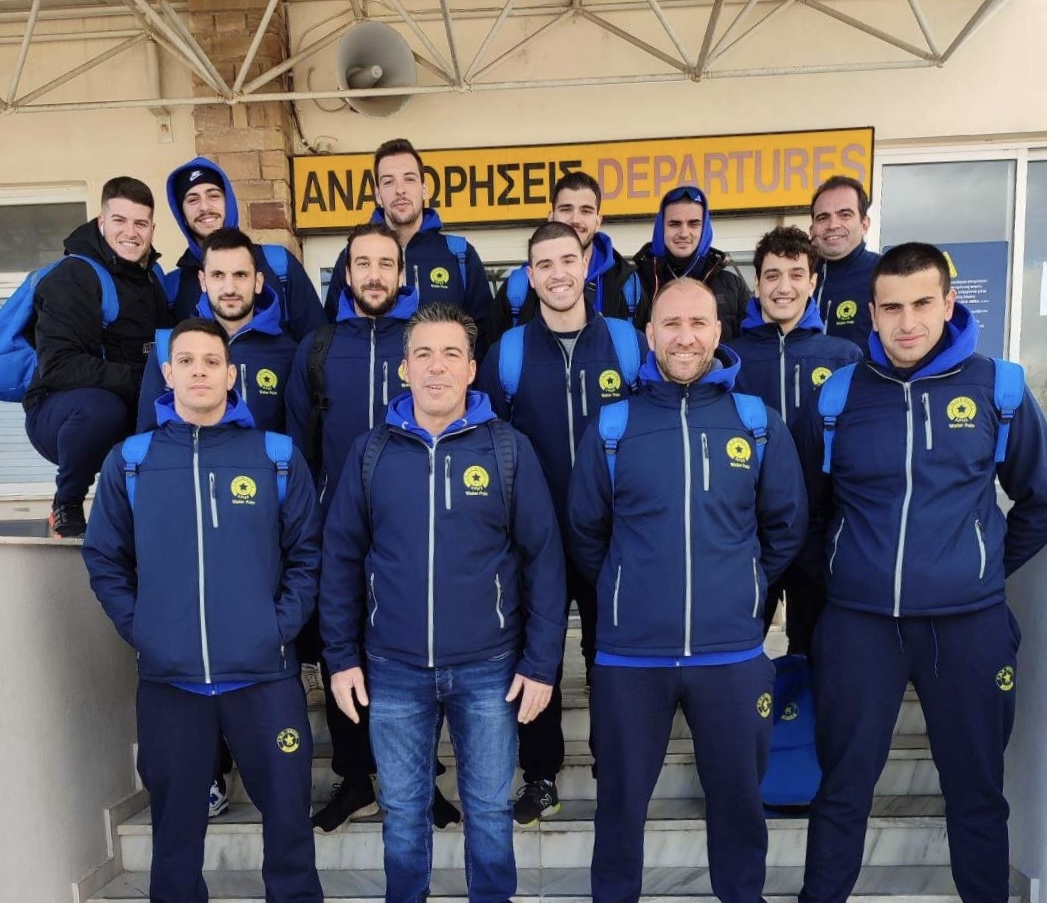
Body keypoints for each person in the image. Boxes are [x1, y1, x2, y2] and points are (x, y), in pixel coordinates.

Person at [795, 242, 1047, 903]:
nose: (907, 323)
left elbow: (1038, 498)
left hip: (968, 627)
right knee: (841, 788)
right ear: (871, 313)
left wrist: (980, 567)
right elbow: (805, 511)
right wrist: (843, 573)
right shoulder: (837, 396)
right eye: (891, 308)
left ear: (948, 303)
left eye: (921, 304)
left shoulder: (999, 388)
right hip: (860, 626)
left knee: (976, 790)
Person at [569, 277, 807, 903]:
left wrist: (742, 590)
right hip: (631, 658)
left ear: (718, 332)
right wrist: (629, 591)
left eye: (698, 323)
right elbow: (587, 533)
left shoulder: (755, 423)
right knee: (619, 811)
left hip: (731, 655)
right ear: (649, 334)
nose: (685, 337)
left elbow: (785, 527)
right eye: (670, 324)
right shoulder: (614, 426)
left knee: (739, 809)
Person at [320, 303, 566, 903]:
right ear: (404, 368)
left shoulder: (508, 450)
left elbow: (543, 560)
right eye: (423, 354)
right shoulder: (371, 453)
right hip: (393, 668)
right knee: (404, 815)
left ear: (471, 368)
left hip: (489, 668)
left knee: (489, 812)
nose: (437, 367)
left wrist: (541, 663)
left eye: (451, 353)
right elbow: (342, 558)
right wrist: (341, 657)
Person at [82, 317, 323, 903]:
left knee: (289, 821)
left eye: (211, 362)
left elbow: (307, 555)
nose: (199, 372)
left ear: (231, 374)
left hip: (264, 677)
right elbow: (105, 557)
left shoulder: (275, 456)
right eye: (186, 361)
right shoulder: (132, 461)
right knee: (175, 833)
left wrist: (277, 628)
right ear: (167, 373)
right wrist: (143, 629)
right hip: (172, 683)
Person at [286, 222, 460, 833]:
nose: (375, 274)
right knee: (344, 651)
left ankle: (421, 777)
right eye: (363, 263)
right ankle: (356, 779)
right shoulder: (318, 346)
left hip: (412, 531)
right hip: (337, 531)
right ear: (347, 273)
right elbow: (299, 447)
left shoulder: (422, 343)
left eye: (387, 263)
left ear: (402, 273)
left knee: (415, 652)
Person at [477, 221, 646, 824]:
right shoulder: (508, 352)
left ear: (586, 265)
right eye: (543, 264)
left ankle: (612, 764)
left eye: (567, 260)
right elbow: (488, 444)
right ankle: (542, 775)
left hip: (613, 535)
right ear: (529, 276)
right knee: (535, 655)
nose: (557, 274)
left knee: (612, 656)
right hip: (535, 536)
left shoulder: (627, 343)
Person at [726, 226, 862, 650]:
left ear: (813, 282)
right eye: (772, 275)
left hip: (821, 533)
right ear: (757, 282)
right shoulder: (730, 358)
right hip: (751, 533)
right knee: (739, 649)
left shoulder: (844, 357)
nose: (784, 287)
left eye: (796, 274)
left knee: (817, 652)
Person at [23, 176, 172, 539]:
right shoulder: (75, 276)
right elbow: (59, 366)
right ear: (101, 221)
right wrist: (142, 382)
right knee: (103, 408)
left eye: (140, 223)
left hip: (127, 403)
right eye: (120, 220)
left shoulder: (153, 277)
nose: (131, 233)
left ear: (152, 229)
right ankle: (67, 502)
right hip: (61, 414)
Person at [323, 139, 495, 358]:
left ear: (424, 189)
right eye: (388, 182)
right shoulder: (353, 255)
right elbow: (333, 332)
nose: (400, 190)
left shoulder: (459, 255)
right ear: (378, 194)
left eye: (409, 179)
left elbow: (483, 336)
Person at [138, 227, 297, 433]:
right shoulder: (167, 349)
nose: (229, 288)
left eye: (240, 275)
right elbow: (149, 440)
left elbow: (295, 442)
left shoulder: (289, 353)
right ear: (203, 281)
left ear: (258, 282)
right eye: (218, 275)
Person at [165, 157, 325, 341]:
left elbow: (316, 343)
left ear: (229, 203)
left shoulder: (279, 264)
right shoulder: (173, 287)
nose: (205, 207)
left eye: (213, 196)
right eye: (193, 200)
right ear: (182, 215)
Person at [487, 171, 646, 341]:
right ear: (551, 216)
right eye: (566, 209)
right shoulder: (518, 288)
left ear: (598, 221)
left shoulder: (628, 285)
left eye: (586, 211)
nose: (575, 219)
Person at [631, 185, 750, 341]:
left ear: (705, 228)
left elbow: (749, 346)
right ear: (660, 228)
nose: (684, 233)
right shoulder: (635, 282)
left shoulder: (733, 286)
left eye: (694, 224)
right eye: (674, 224)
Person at [809, 175, 880, 354]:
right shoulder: (797, 277)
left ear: (864, 224)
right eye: (823, 217)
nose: (833, 225)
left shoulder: (886, 273)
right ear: (812, 229)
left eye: (845, 215)